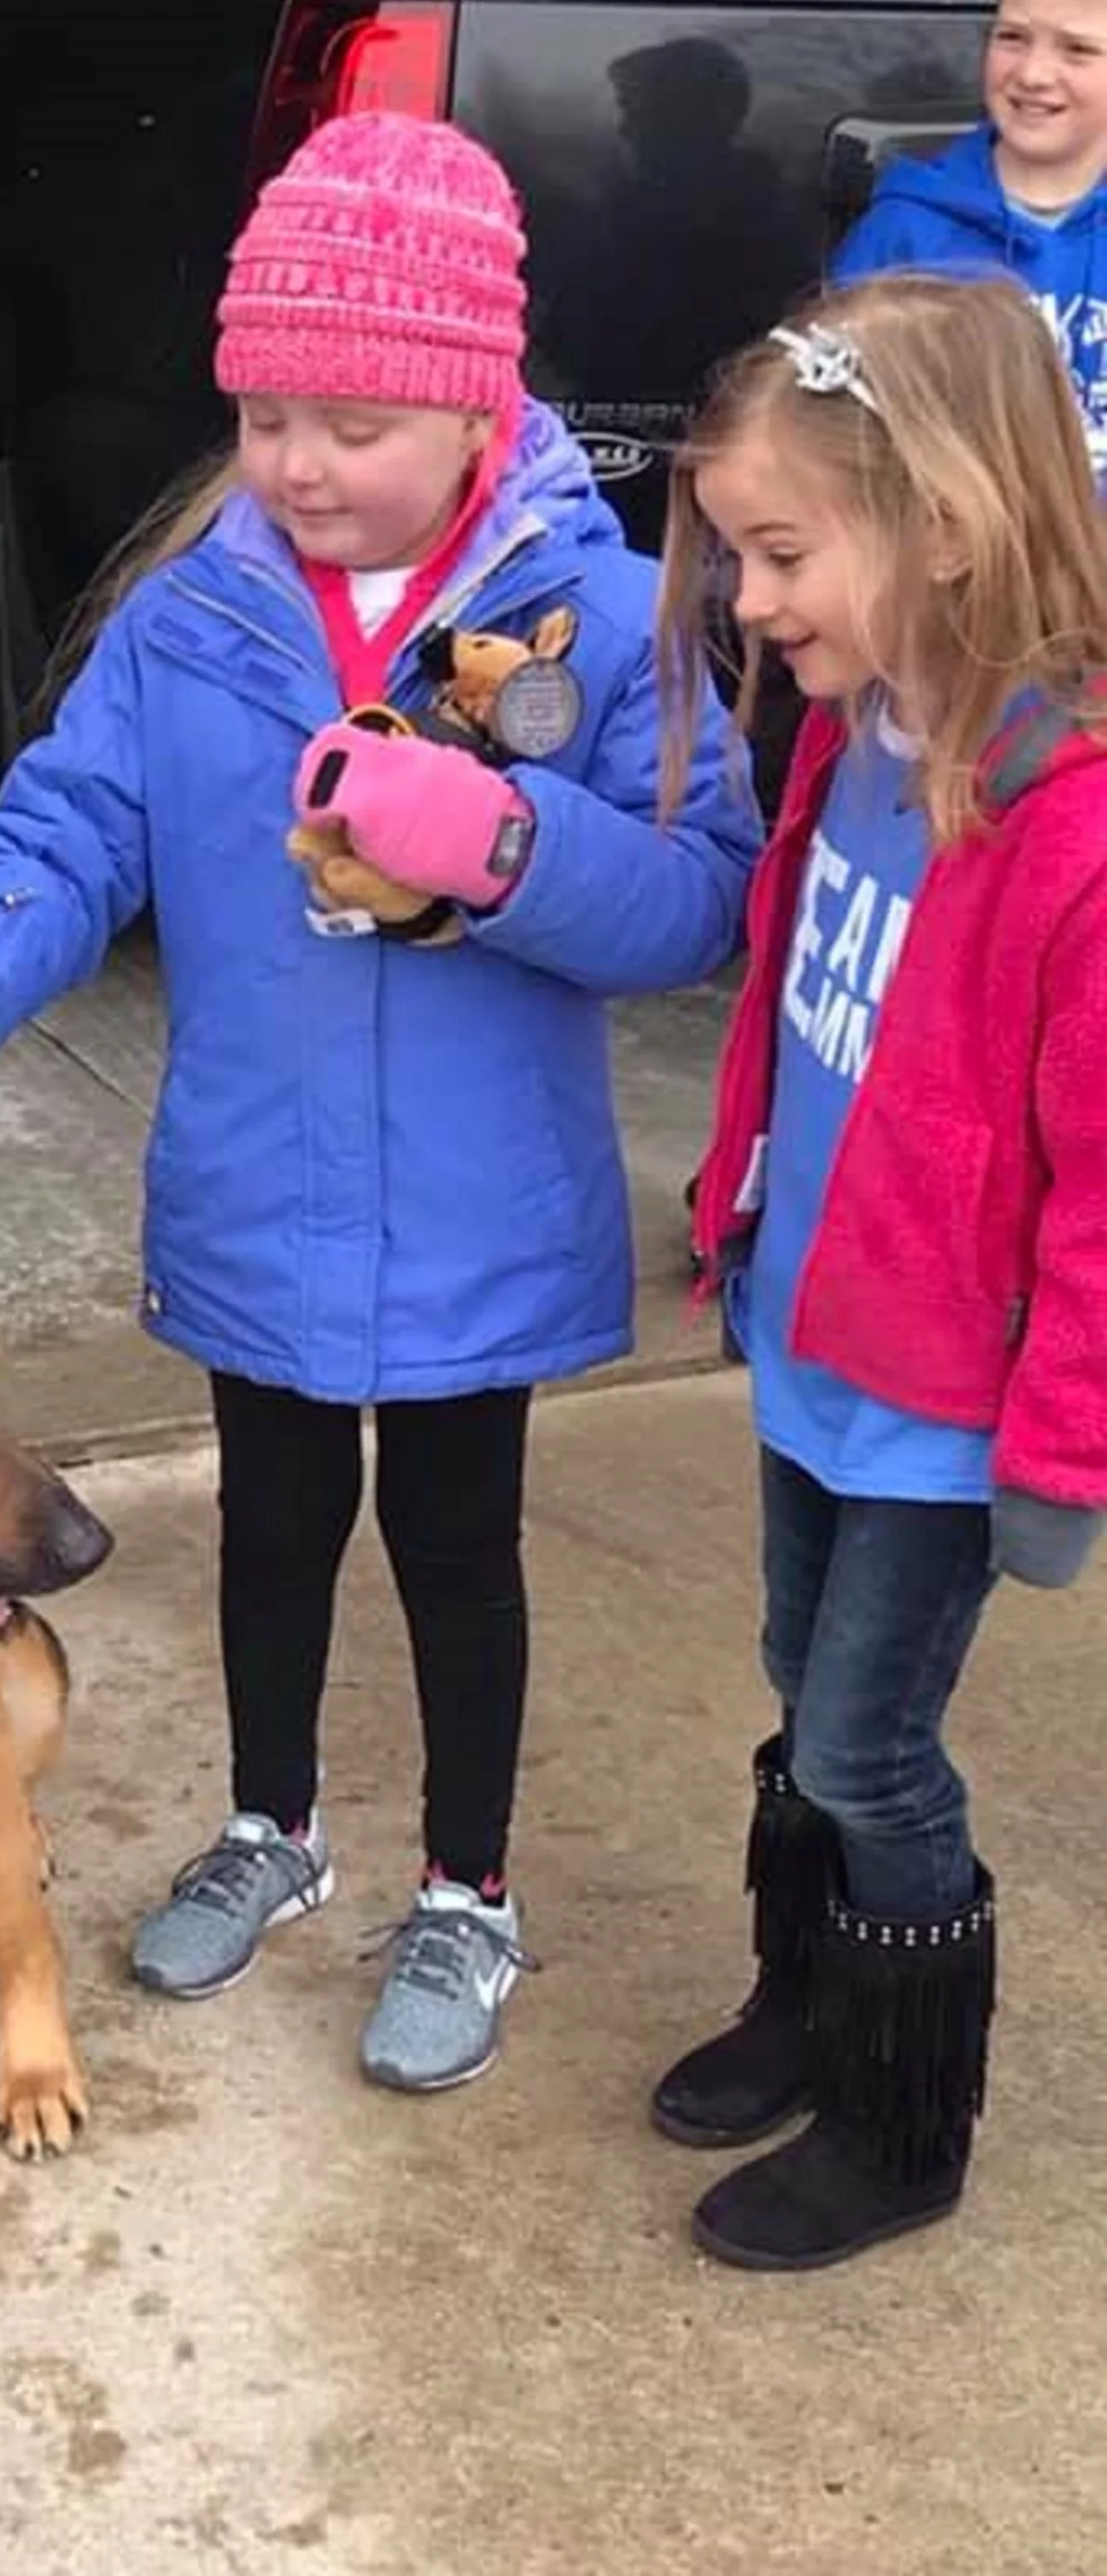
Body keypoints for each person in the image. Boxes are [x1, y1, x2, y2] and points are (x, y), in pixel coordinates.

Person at [0, 112, 760, 2093]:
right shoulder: (191, 614)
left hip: (481, 1204)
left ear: (476, 407)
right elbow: (67, 824)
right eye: (265, 414)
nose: (300, 463)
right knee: (273, 1524)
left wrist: (494, 841)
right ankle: (273, 1824)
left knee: (459, 1547)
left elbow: (696, 889)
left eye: (352, 422)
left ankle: (467, 1884)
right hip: (251, 1183)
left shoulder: (596, 611)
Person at [652, 272, 1107, 2271]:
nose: (751, 601)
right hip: (810, 1331)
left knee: (863, 1742)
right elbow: (791, 1006)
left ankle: (902, 2109)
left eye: (779, 550)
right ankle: (809, 1992)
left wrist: (1062, 1444)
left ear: (941, 521)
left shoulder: (1073, 833)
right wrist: (741, 1198)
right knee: (791, 1684)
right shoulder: (859, 736)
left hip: (946, 1396)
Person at [832, 0, 1107, 476]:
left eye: (1078, 49)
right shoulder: (904, 233)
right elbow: (833, 438)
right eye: (1013, 36)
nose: (1033, 72)